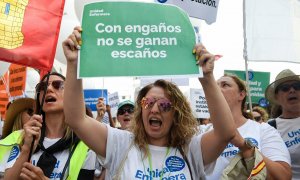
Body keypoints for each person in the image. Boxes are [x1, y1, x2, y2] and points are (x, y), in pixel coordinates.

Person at [61, 26, 261, 179]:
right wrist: (73, 64)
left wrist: (207, 77)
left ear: (176, 114)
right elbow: (76, 118)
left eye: (165, 105)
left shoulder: (190, 149)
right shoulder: (120, 144)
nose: (155, 108)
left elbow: (226, 132)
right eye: (148, 102)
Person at [3, 72, 96, 180]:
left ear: (70, 94)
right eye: (42, 87)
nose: (48, 89)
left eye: (57, 85)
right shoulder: (20, 137)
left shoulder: (86, 144)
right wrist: (26, 149)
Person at [205, 74, 291, 179]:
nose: (217, 89)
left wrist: (245, 146)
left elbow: (283, 176)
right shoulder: (201, 132)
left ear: (241, 94)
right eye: (215, 85)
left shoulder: (263, 130)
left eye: (225, 85)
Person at [265, 69, 300, 179]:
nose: (292, 90)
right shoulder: (269, 128)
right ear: (277, 97)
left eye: (297, 86)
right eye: (285, 88)